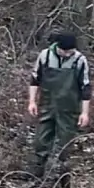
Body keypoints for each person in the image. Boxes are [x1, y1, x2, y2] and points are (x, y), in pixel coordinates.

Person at [27, 32, 90, 178]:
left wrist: (84, 112)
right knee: (41, 141)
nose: (68, 54)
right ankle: (36, 175)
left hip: (69, 108)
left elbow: (85, 88)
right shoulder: (45, 56)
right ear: (58, 47)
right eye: (65, 51)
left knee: (66, 144)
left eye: (71, 51)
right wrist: (32, 101)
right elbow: (35, 79)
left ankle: (62, 178)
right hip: (47, 105)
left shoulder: (80, 60)